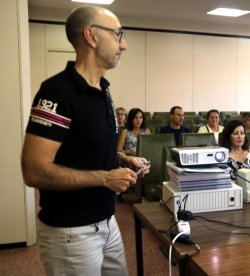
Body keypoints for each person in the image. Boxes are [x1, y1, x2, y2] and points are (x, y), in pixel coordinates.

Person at [20, 6, 149, 276]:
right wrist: (105, 179)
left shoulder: (103, 90)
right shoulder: (57, 92)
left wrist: (125, 159)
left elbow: (89, 151)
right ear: (91, 35)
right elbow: (34, 171)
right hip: (71, 231)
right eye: (118, 34)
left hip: (106, 221)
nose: (123, 45)